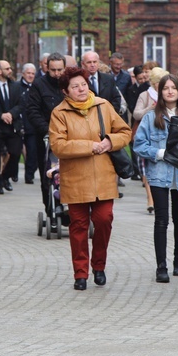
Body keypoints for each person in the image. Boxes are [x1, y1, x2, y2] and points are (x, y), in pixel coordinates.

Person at [49, 66, 132, 291]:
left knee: (104, 220)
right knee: (78, 227)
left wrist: (109, 142)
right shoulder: (60, 112)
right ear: (66, 91)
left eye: (83, 85)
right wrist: (90, 146)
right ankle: (80, 273)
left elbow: (125, 131)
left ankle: (99, 266)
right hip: (75, 179)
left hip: (104, 176)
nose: (81, 89)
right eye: (75, 87)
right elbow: (58, 145)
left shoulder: (103, 106)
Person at [133, 74, 178, 282]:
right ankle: (161, 266)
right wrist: (159, 153)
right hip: (159, 174)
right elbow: (139, 145)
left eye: (173, 88)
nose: (170, 91)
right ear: (160, 92)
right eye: (165, 88)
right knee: (161, 220)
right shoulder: (151, 117)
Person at [25, 52, 66, 221]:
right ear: (47, 68)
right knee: (48, 174)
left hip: (69, 136)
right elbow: (32, 110)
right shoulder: (39, 85)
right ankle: (51, 209)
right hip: (46, 137)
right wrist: (46, 130)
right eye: (53, 70)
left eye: (60, 70)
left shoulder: (70, 83)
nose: (57, 74)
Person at [134, 67, 168, 213]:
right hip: (148, 136)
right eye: (158, 82)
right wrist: (150, 108)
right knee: (148, 170)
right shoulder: (145, 95)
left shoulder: (169, 94)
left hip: (164, 137)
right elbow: (136, 114)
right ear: (153, 82)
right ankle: (150, 199)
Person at [0, 60, 23, 194]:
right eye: (7, 68)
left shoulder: (15, 86)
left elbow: (21, 104)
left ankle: (5, 176)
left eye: (10, 68)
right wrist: (1, 115)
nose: (10, 70)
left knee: (15, 153)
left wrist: (11, 113)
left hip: (12, 125)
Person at [18, 63, 38, 184]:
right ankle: (13, 174)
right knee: (14, 151)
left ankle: (29, 175)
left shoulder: (36, 87)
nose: (30, 76)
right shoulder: (17, 87)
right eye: (28, 73)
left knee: (32, 151)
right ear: (23, 74)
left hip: (31, 125)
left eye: (32, 73)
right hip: (19, 123)